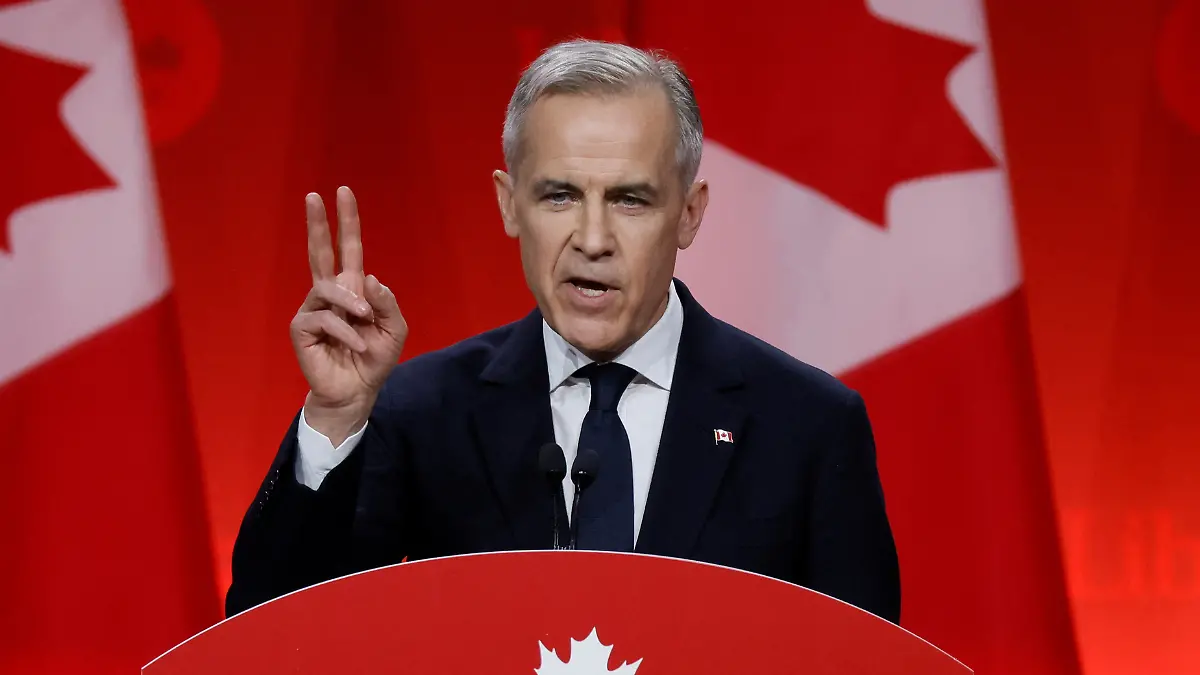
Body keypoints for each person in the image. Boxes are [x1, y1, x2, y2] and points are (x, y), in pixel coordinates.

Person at [226, 39, 900, 623]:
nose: (593, 239)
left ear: (689, 214)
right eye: (560, 196)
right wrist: (336, 417)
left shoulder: (807, 426)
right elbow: (272, 630)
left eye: (630, 199)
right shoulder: (423, 412)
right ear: (508, 204)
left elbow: (864, 658)